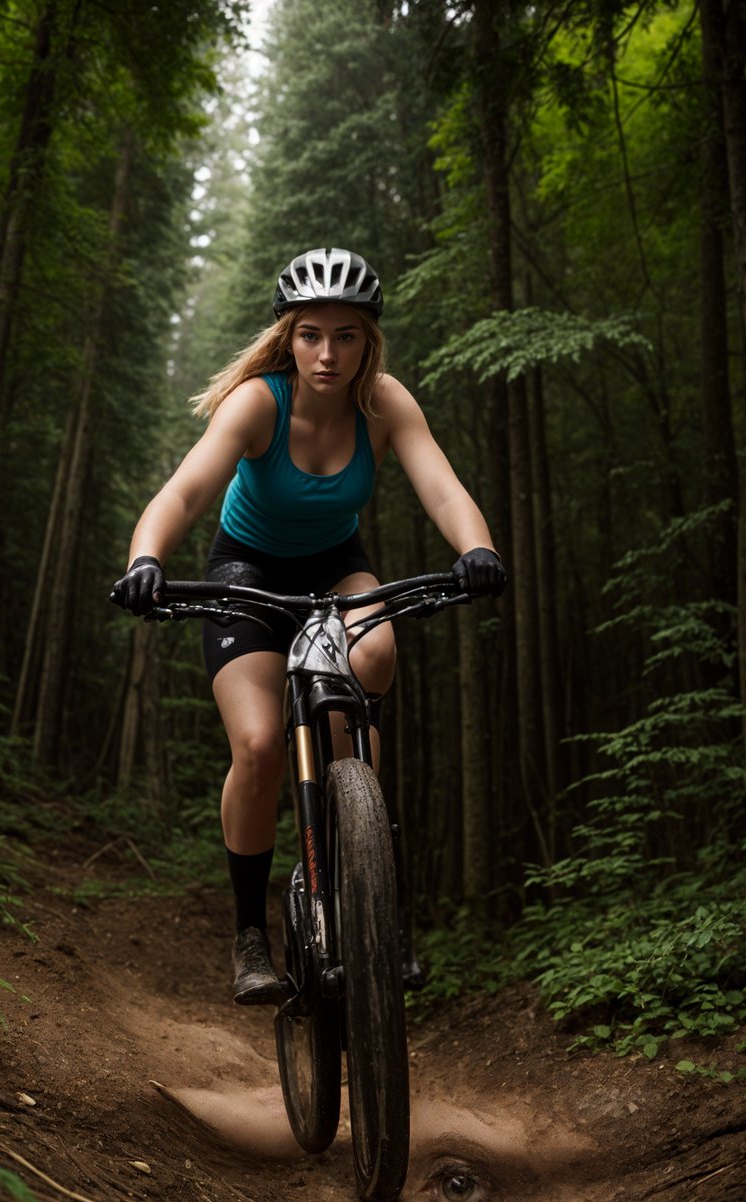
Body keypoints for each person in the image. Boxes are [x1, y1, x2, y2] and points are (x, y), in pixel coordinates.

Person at [111, 247, 505, 1005]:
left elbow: (444, 489)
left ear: (369, 341)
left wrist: (477, 548)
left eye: (347, 335)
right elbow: (187, 490)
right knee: (258, 747)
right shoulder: (261, 402)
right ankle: (249, 933)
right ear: (288, 337)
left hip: (336, 566)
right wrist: (147, 558)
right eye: (312, 335)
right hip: (246, 572)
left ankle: (363, 865)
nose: (328, 354)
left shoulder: (385, 403)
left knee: (379, 647)